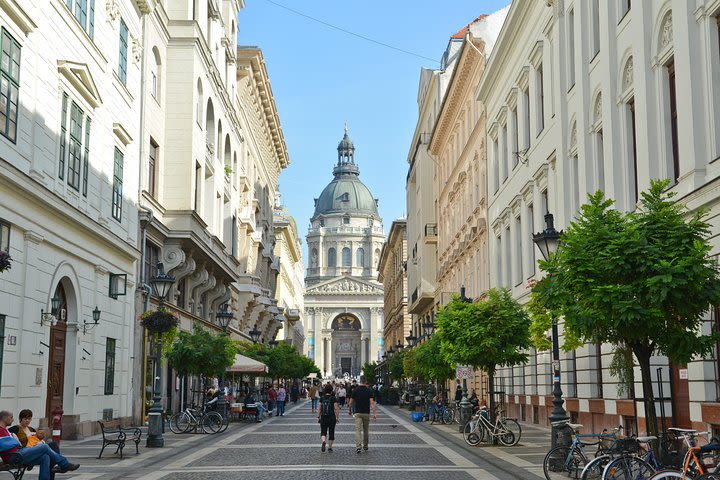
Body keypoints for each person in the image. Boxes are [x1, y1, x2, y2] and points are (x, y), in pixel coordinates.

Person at [0, 410, 79, 480]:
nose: (13, 419)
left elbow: (15, 443)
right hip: (14, 456)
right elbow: (5, 445)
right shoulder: (2, 430)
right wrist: (15, 440)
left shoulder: (6, 431)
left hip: (20, 453)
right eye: (11, 417)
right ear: (5, 418)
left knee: (45, 456)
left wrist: (14, 440)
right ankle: (64, 464)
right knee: (44, 447)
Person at [348, 376, 377, 454]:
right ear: (365, 381)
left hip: (357, 413)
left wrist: (350, 410)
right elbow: (372, 403)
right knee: (366, 430)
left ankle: (358, 447)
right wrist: (374, 413)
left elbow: (350, 402)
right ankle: (366, 446)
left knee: (358, 430)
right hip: (366, 412)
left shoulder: (355, 390)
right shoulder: (369, 391)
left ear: (360, 381)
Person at [317, 383, 340, 452]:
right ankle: (330, 447)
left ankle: (324, 441)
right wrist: (337, 417)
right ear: (331, 390)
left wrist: (318, 417)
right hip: (331, 417)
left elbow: (319, 408)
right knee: (331, 432)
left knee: (323, 431)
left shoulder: (322, 398)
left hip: (323, 417)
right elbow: (336, 408)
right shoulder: (333, 398)